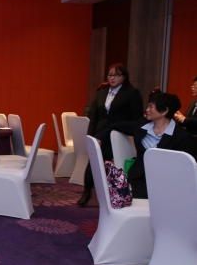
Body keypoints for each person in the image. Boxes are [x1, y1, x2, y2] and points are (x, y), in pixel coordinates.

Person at [96, 91, 191, 199]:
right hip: (138, 179)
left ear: (164, 111)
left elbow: (185, 166)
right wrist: (99, 139)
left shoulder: (181, 136)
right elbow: (116, 126)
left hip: (165, 183)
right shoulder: (142, 125)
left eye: (151, 107)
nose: (147, 110)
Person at [78, 64, 143, 206]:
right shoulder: (102, 93)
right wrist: (91, 136)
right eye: (110, 75)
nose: (112, 78)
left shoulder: (131, 93)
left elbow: (137, 118)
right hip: (101, 133)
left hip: (119, 135)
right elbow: (94, 117)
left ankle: (117, 193)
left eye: (116, 75)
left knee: (113, 164)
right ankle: (87, 192)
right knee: (94, 162)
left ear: (124, 77)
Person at [173, 75, 197, 158]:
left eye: (195, 86)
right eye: (192, 85)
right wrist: (178, 117)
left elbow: (187, 120)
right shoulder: (193, 103)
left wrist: (184, 119)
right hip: (190, 143)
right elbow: (186, 120)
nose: (192, 87)